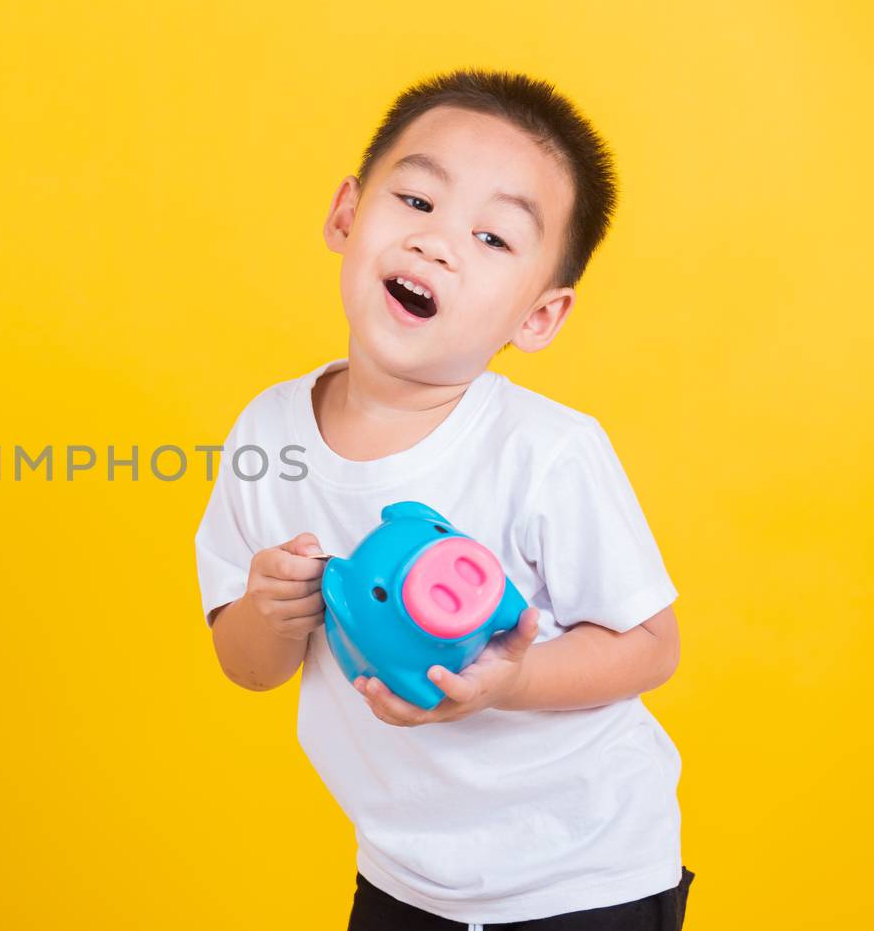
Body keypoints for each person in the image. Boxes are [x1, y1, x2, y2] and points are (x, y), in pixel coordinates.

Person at [193, 69, 696, 929]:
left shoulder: (545, 452)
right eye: (418, 201)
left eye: (494, 238)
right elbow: (247, 665)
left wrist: (513, 678)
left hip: (583, 872)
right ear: (347, 215)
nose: (438, 244)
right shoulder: (267, 432)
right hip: (405, 873)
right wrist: (268, 611)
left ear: (538, 317)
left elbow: (651, 646)